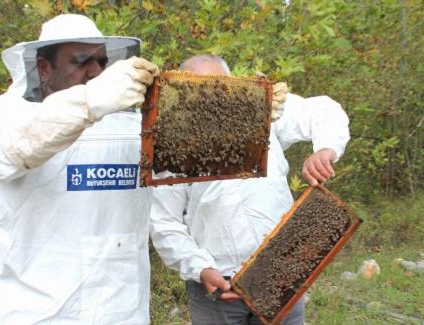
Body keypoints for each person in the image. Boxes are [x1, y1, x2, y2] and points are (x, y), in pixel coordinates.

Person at [0, 14, 159, 324]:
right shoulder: (7, 113)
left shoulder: (131, 126)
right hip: (33, 312)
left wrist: (260, 123)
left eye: (100, 61)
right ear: (44, 67)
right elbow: (6, 152)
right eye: (81, 60)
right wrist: (90, 102)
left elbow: (194, 165)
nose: (96, 71)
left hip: (122, 310)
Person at [150, 54, 350, 324]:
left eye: (222, 86)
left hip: (280, 273)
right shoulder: (173, 148)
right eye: (201, 89)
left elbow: (324, 111)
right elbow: (164, 222)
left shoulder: (266, 113)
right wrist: (201, 268)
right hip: (217, 285)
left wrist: (326, 149)